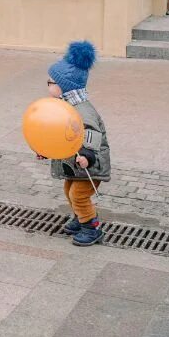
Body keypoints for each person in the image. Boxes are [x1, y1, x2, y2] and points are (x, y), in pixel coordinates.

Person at [39, 41, 109, 247]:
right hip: (74, 164)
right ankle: (81, 217)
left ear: (64, 86)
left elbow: (91, 136)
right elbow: (60, 134)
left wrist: (87, 156)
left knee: (78, 195)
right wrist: (46, 150)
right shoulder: (64, 106)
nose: (48, 85)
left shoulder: (82, 111)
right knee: (69, 189)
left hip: (89, 164)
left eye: (50, 82)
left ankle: (92, 227)